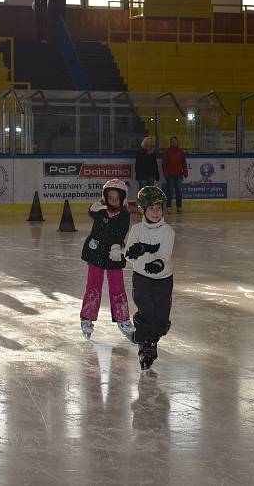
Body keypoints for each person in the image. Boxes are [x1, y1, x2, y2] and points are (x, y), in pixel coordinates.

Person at [125, 186, 175, 370]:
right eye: (151, 208)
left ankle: (153, 338)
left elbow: (165, 253)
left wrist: (158, 263)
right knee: (146, 310)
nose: (155, 212)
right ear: (142, 210)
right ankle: (145, 343)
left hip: (163, 278)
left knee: (161, 313)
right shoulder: (137, 230)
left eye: (159, 208)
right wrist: (133, 251)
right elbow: (128, 256)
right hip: (141, 279)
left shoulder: (168, 231)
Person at [80, 179, 135, 341]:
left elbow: (121, 231)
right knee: (93, 286)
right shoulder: (101, 211)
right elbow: (92, 212)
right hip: (96, 252)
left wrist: (117, 246)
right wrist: (93, 207)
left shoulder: (124, 215)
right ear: (105, 197)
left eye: (117, 198)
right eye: (110, 198)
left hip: (114, 254)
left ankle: (123, 318)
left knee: (117, 286)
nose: (113, 201)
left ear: (123, 199)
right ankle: (87, 318)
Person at [161, 136, 188, 213]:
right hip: (170, 175)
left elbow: (183, 162)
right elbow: (164, 163)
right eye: (172, 141)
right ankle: (168, 206)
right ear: (170, 142)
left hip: (179, 174)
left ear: (177, 142)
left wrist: (185, 172)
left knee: (178, 191)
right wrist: (165, 173)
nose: (174, 142)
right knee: (169, 190)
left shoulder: (180, 151)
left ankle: (179, 207)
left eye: (175, 141)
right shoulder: (167, 151)